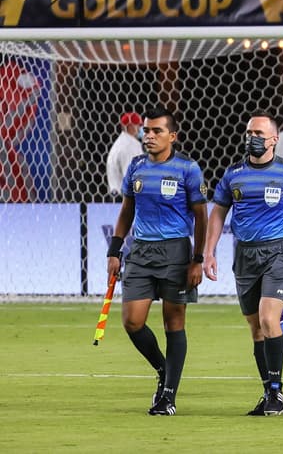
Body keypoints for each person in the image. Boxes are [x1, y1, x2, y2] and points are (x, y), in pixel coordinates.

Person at [203, 113, 283, 416]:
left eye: (258, 133)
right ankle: (268, 392)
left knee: (269, 319)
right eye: (248, 132)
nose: (252, 137)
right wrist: (208, 251)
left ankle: (276, 393)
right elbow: (218, 213)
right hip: (246, 255)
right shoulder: (233, 175)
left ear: (274, 139)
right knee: (256, 327)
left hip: (281, 253)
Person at [106, 107, 207, 415]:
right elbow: (126, 211)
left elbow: (201, 216)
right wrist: (114, 249)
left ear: (172, 136)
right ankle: (165, 372)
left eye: (156, 131)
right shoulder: (136, 166)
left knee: (173, 322)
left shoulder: (188, 169)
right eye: (146, 131)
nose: (148, 136)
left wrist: (198, 259)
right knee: (132, 321)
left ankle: (168, 396)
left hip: (176, 252)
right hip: (140, 252)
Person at [106, 111, 144, 198]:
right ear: (131, 127)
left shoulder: (123, 142)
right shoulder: (129, 145)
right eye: (139, 125)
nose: (141, 129)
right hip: (125, 198)